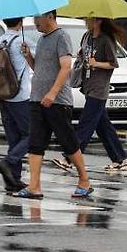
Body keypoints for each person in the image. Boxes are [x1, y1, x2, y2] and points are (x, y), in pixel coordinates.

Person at [14, 10, 93, 199]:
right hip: (37, 99)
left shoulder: (61, 36)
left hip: (57, 101)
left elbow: (66, 67)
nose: (35, 22)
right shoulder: (41, 39)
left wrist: (52, 93)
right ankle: (34, 186)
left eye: (38, 18)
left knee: (68, 142)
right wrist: (28, 56)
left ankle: (84, 180)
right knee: (35, 143)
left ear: (50, 16)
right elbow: (39, 68)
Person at [52, 18, 127, 173]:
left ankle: (69, 159)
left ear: (98, 21)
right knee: (103, 127)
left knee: (85, 125)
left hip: (99, 88)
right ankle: (120, 159)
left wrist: (96, 63)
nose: (86, 21)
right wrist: (81, 56)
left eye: (90, 18)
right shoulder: (87, 36)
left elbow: (113, 64)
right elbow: (83, 55)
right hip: (87, 85)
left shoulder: (106, 40)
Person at [0, 18, 33, 192]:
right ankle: (8, 162)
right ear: (21, 23)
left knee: (14, 138)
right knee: (32, 135)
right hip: (20, 95)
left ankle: (13, 180)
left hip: (3, 94)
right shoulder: (21, 41)